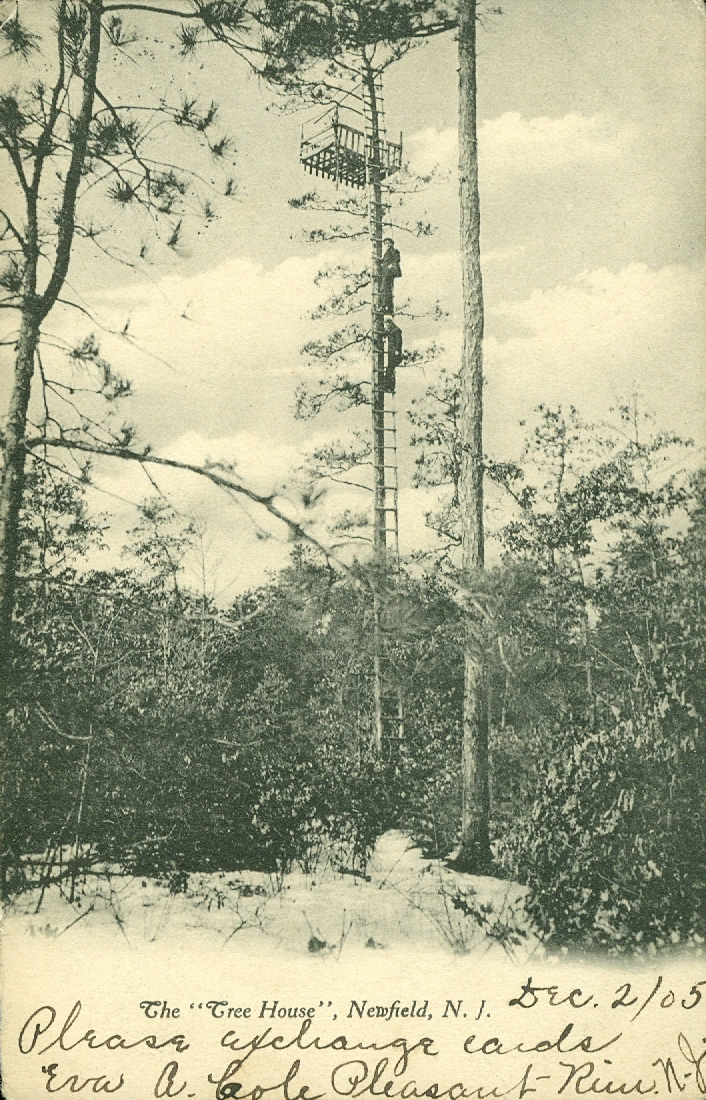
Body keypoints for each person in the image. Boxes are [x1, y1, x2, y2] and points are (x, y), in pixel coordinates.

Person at [380, 237, 401, 314]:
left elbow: (397, 259)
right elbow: (383, 260)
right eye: (386, 243)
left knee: (387, 289)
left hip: (390, 272)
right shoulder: (386, 253)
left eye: (389, 243)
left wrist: (391, 265)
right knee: (384, 289)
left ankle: (386, 307)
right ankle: (386, 307)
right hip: (385, 273)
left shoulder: (394, 251)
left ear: (392, 244)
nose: (387, 245)